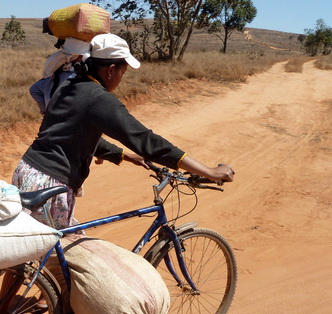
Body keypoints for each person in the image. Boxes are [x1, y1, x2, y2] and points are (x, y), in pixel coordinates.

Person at [13, 33, 235, 229]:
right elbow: (144, 140)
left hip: (28, 172)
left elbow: (72, 133)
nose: (121, 78)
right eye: (123, 71)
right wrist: (209, 171)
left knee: (28, 260)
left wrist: (124, 155)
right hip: (52, 184)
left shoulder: (70, 86)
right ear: (111, 70)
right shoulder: (99, 99)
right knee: (60, 263)